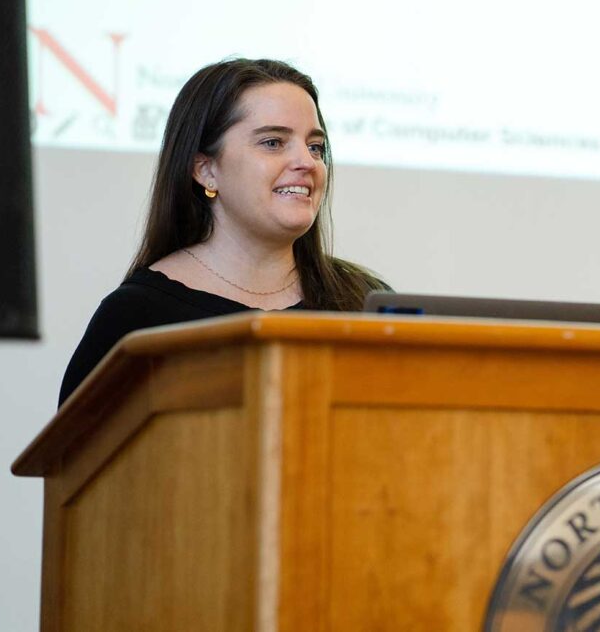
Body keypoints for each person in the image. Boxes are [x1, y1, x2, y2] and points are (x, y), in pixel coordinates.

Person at [59, 58, 387, 405]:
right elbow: (72, 457)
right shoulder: (135, 318)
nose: (306, 162)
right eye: (273, 142)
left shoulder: (363, 300)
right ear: (205, 169)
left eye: (315, 147)